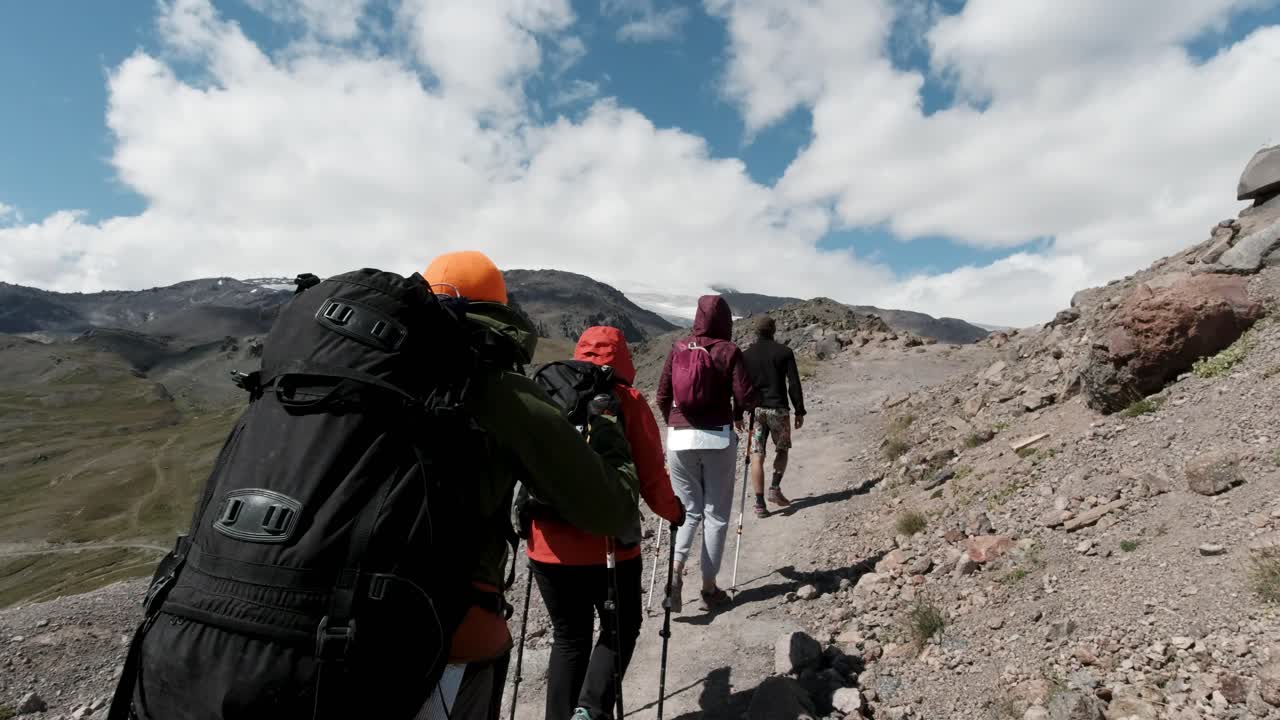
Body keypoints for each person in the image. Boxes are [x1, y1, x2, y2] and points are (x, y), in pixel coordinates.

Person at [417, 251, 642, 720]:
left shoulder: (378, 373)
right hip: (458, 624)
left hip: (346, 622)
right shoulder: (503, 390)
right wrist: (613, 445)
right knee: (606, 629)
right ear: (498, 311)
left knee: (569, 635)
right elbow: (611, 506)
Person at [526, 326, 686, 720]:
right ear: (623, 359)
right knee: (620, 628)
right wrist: (674, 512)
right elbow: (650, 476)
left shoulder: (546, 394)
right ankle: (591, 710)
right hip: (609, 547)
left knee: (569, 639)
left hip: (546, 545)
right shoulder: (627, 400)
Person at [656, 295, 759, 613]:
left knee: (687, 510)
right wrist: (743, 410)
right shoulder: (729, 351)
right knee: (715, 514)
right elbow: (743, 395)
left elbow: (662, 394)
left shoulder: (678, 348)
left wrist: (673, 424)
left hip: (679, 439)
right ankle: (709, 587)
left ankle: (675, 571)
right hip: (717, 438)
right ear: (725, 320)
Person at [741, 314, 806, 518]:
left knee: (757, 455)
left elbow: (741, 386)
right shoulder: (784, 352)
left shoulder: (746, 355)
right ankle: (774, 487)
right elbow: (793, 384)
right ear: (773, 330)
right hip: (778, 409)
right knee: (782, 449)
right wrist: (799, 409)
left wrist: (738, 412)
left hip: (756, 411)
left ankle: (760, 504)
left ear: (755, 331)